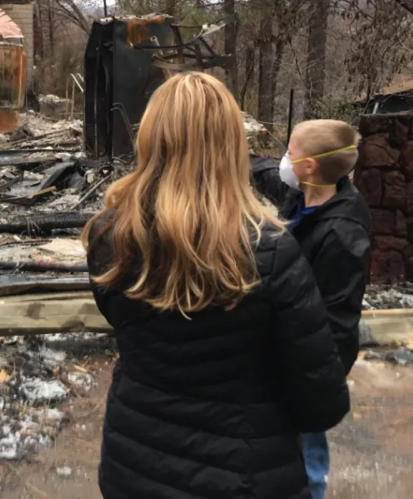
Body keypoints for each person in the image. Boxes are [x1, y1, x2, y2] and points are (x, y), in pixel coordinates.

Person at [83, 72, 350, 499]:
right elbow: (322, 403)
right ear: (232, 146)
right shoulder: (274, 254)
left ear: (150, 139)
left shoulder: (108, 238)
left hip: (134, 467)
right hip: (246, 477)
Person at [250, 120, 371, 499]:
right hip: (289, 346)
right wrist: (236, 154)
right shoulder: (303, 196)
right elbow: (267, 173)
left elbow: (335, 319)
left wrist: (318, 380)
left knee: (307, 451)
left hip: (313, 360)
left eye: (290, 151)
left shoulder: (342, 235)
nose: (283, 159)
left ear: (309, 167)